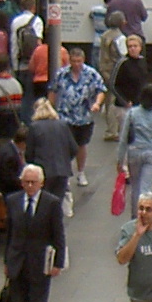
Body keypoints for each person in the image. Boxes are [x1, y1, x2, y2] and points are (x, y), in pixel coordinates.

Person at [1, 165, 66, 302]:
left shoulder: (51, 203)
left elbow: (58, 235)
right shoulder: (12, 201)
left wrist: (58, 263)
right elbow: (9, 234)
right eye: (26, 182)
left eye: (33, 182)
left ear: (41, 183)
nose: (30, 186)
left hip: (40, 264)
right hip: (17, 263)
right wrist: (7, 260)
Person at [49, 42, 105, 192]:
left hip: (84, 116)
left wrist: (97, 103)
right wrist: (50, 109)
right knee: (65, 146)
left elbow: (101, 90)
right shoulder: (61, 74)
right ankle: (66, 174)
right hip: (65, 116)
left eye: (79, 61)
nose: (76, 64)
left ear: (83, 60)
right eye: (73, 61)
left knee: (81, 145)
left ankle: (80, 172)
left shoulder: (91, 73)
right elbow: (53, 91)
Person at [120, 88, 152, 210]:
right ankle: (144, 214)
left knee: (135, 187)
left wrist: (120, 160)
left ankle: (135, 215)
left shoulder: (132, 113)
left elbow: (123, 138)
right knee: (145, 188)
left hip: (134, 151)